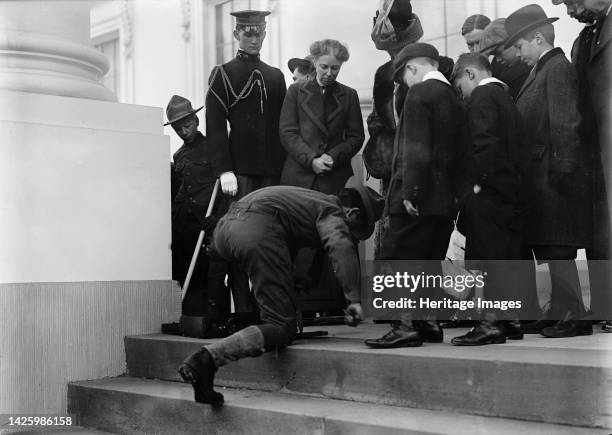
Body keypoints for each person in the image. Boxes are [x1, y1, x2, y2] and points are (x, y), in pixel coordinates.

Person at [177, 178, 384, 405]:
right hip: (256, 232)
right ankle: (207, 360)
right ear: (352, 213)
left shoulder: (306, 199)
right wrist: (354, 299)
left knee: (279, 312)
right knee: (281, 327)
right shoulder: (331, 210)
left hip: (226, 229)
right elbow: (340, 245)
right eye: (355, 229)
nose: (352, 234)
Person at [364, 43, 466, 348]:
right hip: (444, 200)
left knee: (402, 259)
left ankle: (406, 325)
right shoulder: (453, 96)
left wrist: (411, 192)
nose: (404, 85)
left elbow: (415, 147)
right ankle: (429, 324)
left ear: (411, 69)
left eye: (403, 78)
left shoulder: (420, 93)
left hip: (415, 197)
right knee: (430, 259)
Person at [505, 4, 592, 338]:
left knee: (558, 249)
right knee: (552, 248)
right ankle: (560, 309)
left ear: (537, 37)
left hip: (554, 178)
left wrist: (563, 175)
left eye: (520, 45)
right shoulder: (542, 70)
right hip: (544, 177)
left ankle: (575, 316)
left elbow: (566, 123)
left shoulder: (556, 70)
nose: (518, 53)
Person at [205, 10, 287, 313]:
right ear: (237, 34)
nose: (253, 39)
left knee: (271, 238)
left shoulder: (276, 76)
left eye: (258, 33)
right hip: (240, 175)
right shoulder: (223, 74)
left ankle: (272, 309)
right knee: (241, 238)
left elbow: (284, 126)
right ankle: (243, 310)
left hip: (273, 173)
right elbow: (214, 126)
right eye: (248, 33)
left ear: (264, 35)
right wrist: (224, 169)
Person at [450, 54, 524, 345]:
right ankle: (510, 321)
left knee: (483, 257)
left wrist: (474, 184)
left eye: (460, 86)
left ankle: (489, 324)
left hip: (487, 193)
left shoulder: (482, 96)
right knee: (504, 257)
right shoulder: (506, 97)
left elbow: (485, 143)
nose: (462, 94)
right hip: (509, 193)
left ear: (469, 74)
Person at [166, 95, 231, 335]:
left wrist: (218, 216)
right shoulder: (179, 156)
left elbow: (226, 186)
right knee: (187, 272)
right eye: (178, 127)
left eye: (188, 124)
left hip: (214, 221)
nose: (184, 130)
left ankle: (217, 320)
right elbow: (182, 190)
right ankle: (194, 319)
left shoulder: (215, 148)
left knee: (213, 271)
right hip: (190, 224)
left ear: (196, 120)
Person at [365, 0, 423, 257]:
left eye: (397, 50)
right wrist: (381, 139)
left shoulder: (430, 70)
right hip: (391, 172)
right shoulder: (383, 74)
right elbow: (376, 118)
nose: (393, 57)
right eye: (389, 53)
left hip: (421, 173)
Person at [280, 39, 364, 195]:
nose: (329, 73)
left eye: (335, 68)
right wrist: (312, 160)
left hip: (335, 178)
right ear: (315, 62)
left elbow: (356, 136)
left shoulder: (349, 95)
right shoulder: (295, 91)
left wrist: (333, 157)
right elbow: (287, 133)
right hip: (299, 178)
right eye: (324, 67)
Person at [581, 0, 612, 330]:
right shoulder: (587, 36)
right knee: (601, 235)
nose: (572, 9)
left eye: (575, 1)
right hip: (597, 155)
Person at [478, 18, 532, 100]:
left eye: (499, 53)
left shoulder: (531, 67)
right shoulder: (497, 73)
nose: (498, 60)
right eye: (494, 55)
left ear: (512, 42)